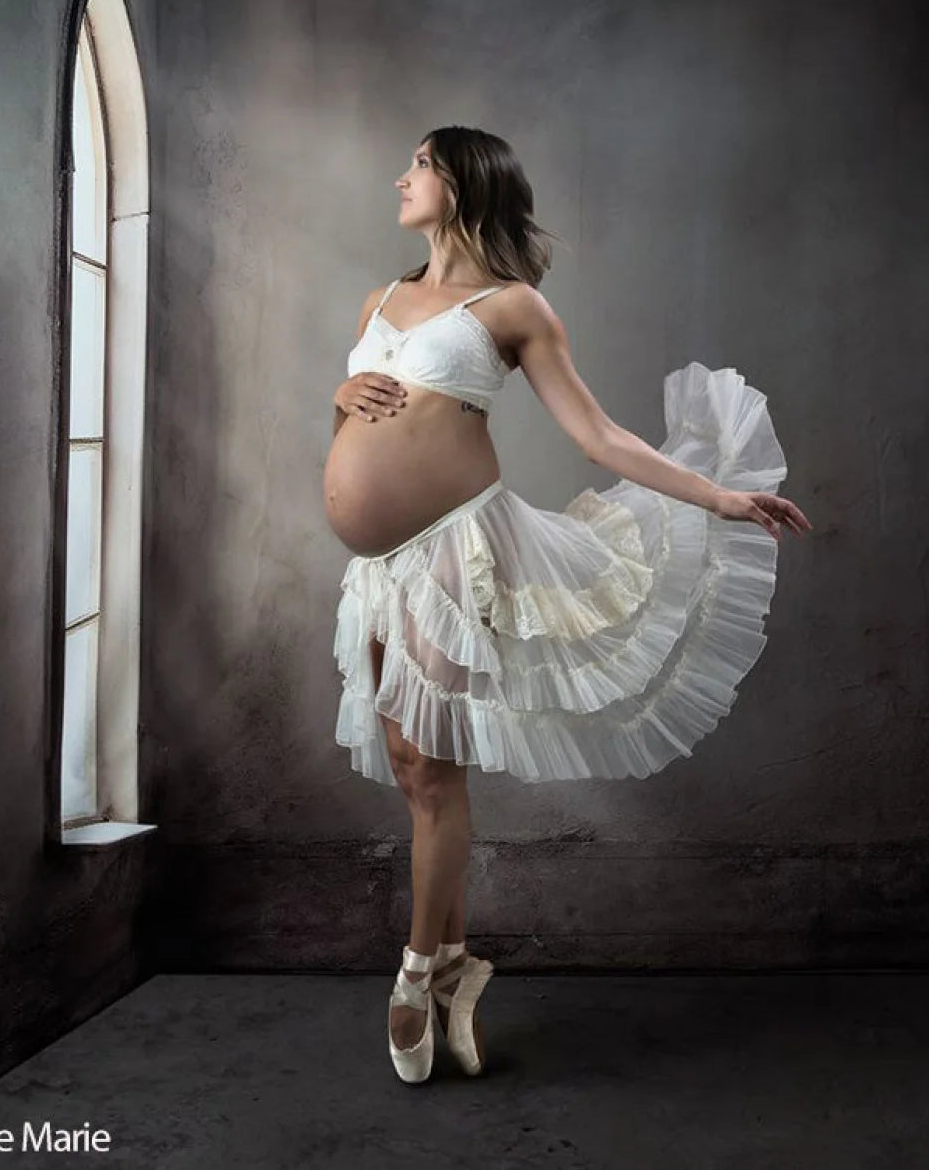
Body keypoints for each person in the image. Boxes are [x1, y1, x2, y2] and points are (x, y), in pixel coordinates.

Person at [323, 126, 813, 1084]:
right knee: (411, 769)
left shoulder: (512, 309)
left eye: (418, 164)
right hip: (375, 568)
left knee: (432, 763)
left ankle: (418, 971)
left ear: (460, 181)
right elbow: (352, 416)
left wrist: (716, 497)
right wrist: (340, 393)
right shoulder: (379, 298)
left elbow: (597, 434)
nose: (401, 176)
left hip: (457, 550)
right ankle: (462, 970)